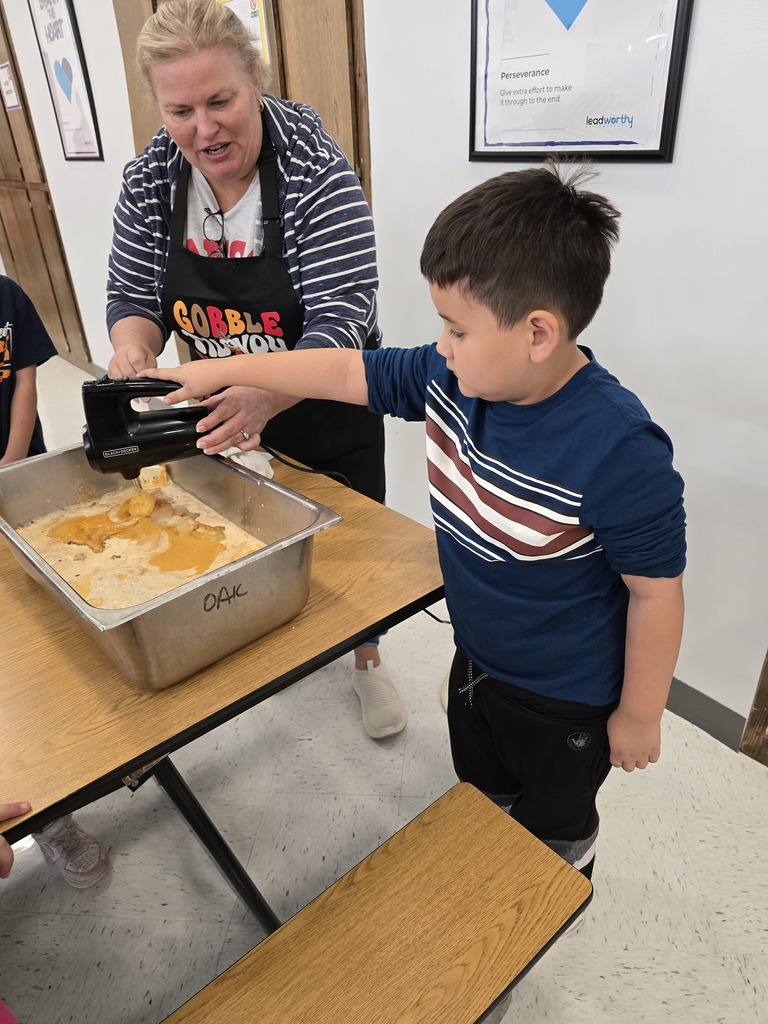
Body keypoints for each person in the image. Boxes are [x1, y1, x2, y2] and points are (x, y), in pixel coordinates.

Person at [141, 162, 687, 885]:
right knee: (484, 789)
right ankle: (491, 853)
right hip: (476, 661)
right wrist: (221, 372)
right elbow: (345, 372)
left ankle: (542, 892)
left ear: (538, 333)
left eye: (457, 328)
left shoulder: (619, 448)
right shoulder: (448, 378)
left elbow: (655, 593)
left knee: (553, 832)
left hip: (565, 701)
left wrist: (641, 715)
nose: (443, 344)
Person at [106, 0, 405, 739]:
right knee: (243, 543)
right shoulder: (152, 180)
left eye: (221, 101)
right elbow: (134, 294)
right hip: (221, 410)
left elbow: (343, 315)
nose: (203, 130)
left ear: (256, 81)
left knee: (350, 555)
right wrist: (133, 346)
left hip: (326, 406)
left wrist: (266, 392)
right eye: (180, 111)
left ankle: (366, 655)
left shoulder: (314, 170)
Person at [0, 275, 109, 889]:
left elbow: (24, 381)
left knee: (48, 636)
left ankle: (87, 758)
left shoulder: (7, 295)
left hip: (23, 475)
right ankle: (48, 817)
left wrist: (12, 462)